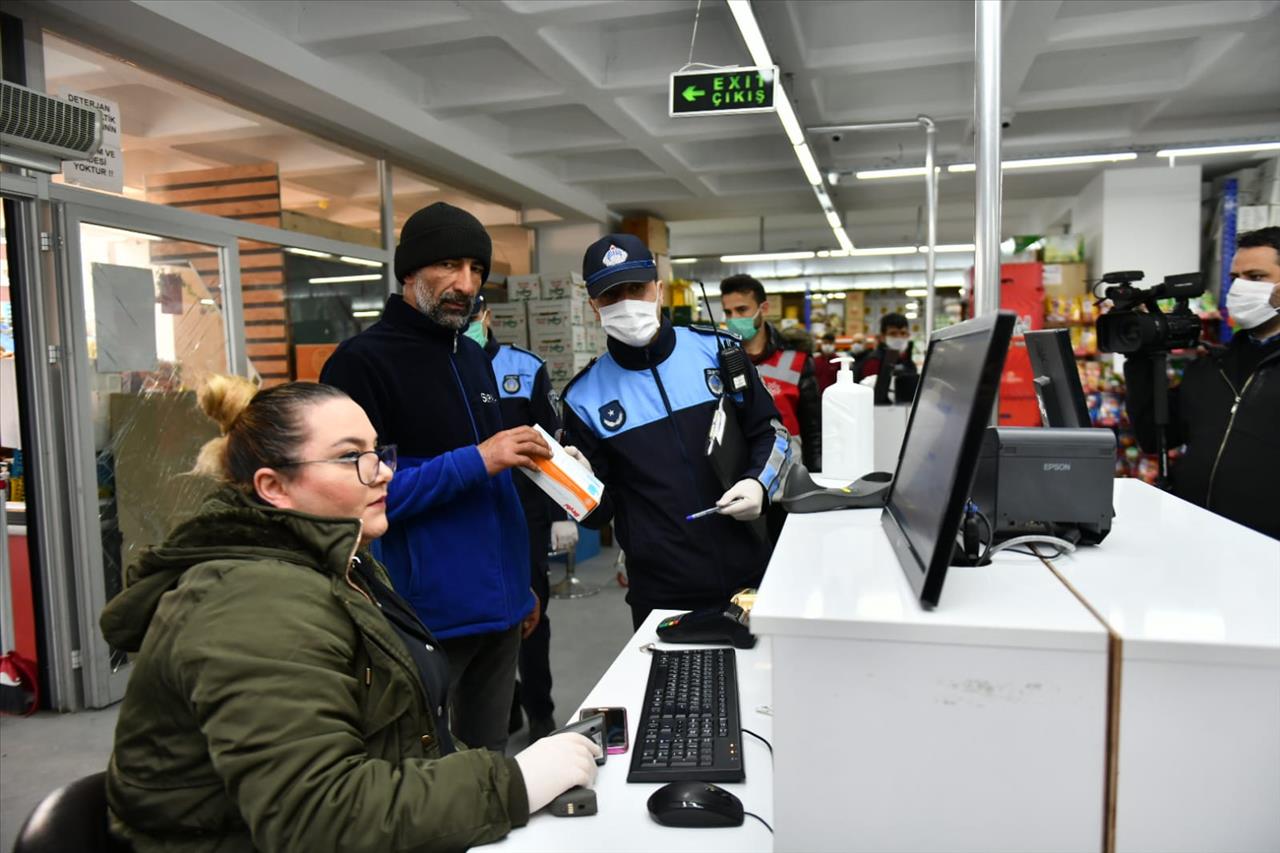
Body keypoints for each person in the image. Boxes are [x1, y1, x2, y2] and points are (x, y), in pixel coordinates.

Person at [100, 377, 600, 853]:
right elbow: (316, 818)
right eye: (349, 457)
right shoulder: (252, 603)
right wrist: (510, 784)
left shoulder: (341, 560)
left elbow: (400, 737)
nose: (382, 471)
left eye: (376, 451)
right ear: (273, 487)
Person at [320, 201, 552, 753]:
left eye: (476, 270)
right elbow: (357, 494)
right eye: (448, 265)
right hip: (423, 622)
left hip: (498, 614)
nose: (465, 284)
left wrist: (521, 584)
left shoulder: (472, 359)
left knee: (488, 758)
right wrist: (478, 458)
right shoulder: (360, 363)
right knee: (421, 770)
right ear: (409, 271)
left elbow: (497, 486)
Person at [561, 234, 791, 629]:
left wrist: (759, 484)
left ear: (659, 290)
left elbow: (773, 432)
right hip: (662, 591)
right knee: (675, 691)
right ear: (593, 307)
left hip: (752, 570)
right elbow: (600, 514)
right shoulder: (582, 397)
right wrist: (573, 482)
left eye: (636, 288)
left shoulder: (720, 352)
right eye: (612, 295)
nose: (627, 303)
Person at [464, 296, 575, 743]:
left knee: (532, 615)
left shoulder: (524, 368)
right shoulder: (443, 370)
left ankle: (540, 709)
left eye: (473, 316)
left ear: (487, 317)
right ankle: (503, 707)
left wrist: (558, 515)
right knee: (481, 618)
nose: (468, 325)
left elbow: (551, 448)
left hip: (523, 514)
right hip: (467, 513)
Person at [1124, 226, 1280, 539]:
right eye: (1236, 278)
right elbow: (1155, 438)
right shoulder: (1211, 366)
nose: (1240, 289)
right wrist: (1140, 359)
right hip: (1197, 539)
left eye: (1256, 277)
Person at [720, 274, 822, 472]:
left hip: (789, 474)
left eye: (742, 309)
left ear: (763, 308)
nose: (734, 319)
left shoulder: (796, 359)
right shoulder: (719, 360)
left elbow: (813, 430)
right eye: (728, 312)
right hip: (740, 478)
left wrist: (816, 475)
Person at [857, 312, 918, 383]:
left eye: (903, 333)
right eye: (893, 333)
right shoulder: (874, 363)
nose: (899, 338)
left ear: (908, 335)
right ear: (882, 337)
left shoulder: (909, 363)